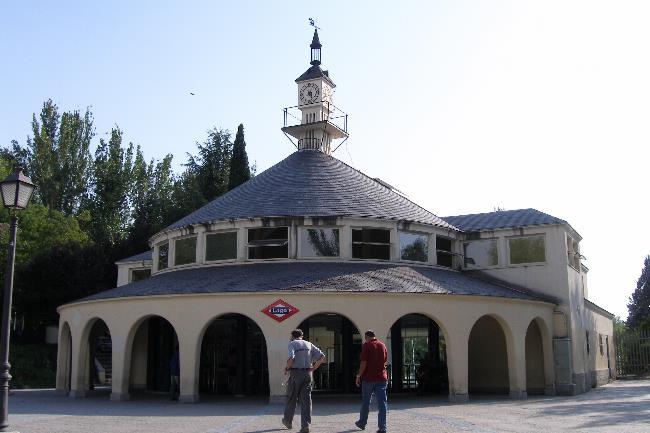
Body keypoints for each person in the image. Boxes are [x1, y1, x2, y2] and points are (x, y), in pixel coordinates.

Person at [282, 329, 326, 433]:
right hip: (307, 374)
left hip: (296, 374)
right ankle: (305, 426)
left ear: (292, 336)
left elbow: (291, 358)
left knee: (291, 398)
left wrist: (287, 368)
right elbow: (322, 356)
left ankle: (288, 421)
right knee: (306, 402)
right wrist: (314, 368)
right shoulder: (309, 344)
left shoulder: (292, 344)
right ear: (302, 335)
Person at [355, 330, 388, 433]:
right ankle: (382, 427)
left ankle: (362, 423)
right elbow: (385, 361)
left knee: (366, 402)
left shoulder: (367, 345)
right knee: (382, 403)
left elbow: (363, 362)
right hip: (382, 378)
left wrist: (358, 375)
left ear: (367, 337)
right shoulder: (382, 345)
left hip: (369, 379)